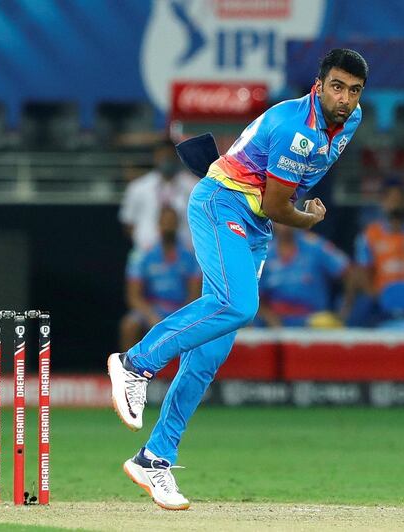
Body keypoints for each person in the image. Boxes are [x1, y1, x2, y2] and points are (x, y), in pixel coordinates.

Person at [107, 49, 368, 509]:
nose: (345, 99)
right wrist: (307, 220)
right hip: (220, 204)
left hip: (255, 225)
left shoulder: (350, 119)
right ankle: (135, 364)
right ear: (318, 85)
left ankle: (154, 459)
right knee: (238, 305)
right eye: (337, 87)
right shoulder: (296, 129)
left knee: (208, 356)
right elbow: (277, 204)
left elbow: (274, 201)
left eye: (354, 90)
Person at [120, 207, 201, 352]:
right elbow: (133, 295)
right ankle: (130, 371)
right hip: (152, 308)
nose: (168, 226)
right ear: (158, 224)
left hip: (180, 309)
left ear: (178, 225)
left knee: (203, 329)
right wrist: (151, 315)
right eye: (165, 222)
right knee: (129, 325)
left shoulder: (191, 255)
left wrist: (180, 318)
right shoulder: (142, 254)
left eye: (172, 222)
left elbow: (195, 295)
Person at [353, 179, 404, 311]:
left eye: (399, 200)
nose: (395, 204)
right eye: (391, 200)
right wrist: (376, 297)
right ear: (383, 203)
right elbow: (363, 272)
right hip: (379, 300)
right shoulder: (369, 235)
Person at [257, 223, 352, 327]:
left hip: (314, 321)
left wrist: (344, 311)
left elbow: (349, 273)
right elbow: (253, 294)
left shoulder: (315, 246)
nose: (284, 224)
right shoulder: (264, 251)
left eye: (287, 213)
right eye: (279, 217)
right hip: (276, 323)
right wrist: (269, 317)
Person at [119, 138, 198, 250]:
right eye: (163, 156)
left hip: (186, 254)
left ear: (178, 158)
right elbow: (128, 223)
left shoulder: (193, 187)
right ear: (155, 158)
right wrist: (143, 242)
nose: (166, 160)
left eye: (170, 156)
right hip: (146, 252)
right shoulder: (138, 188)